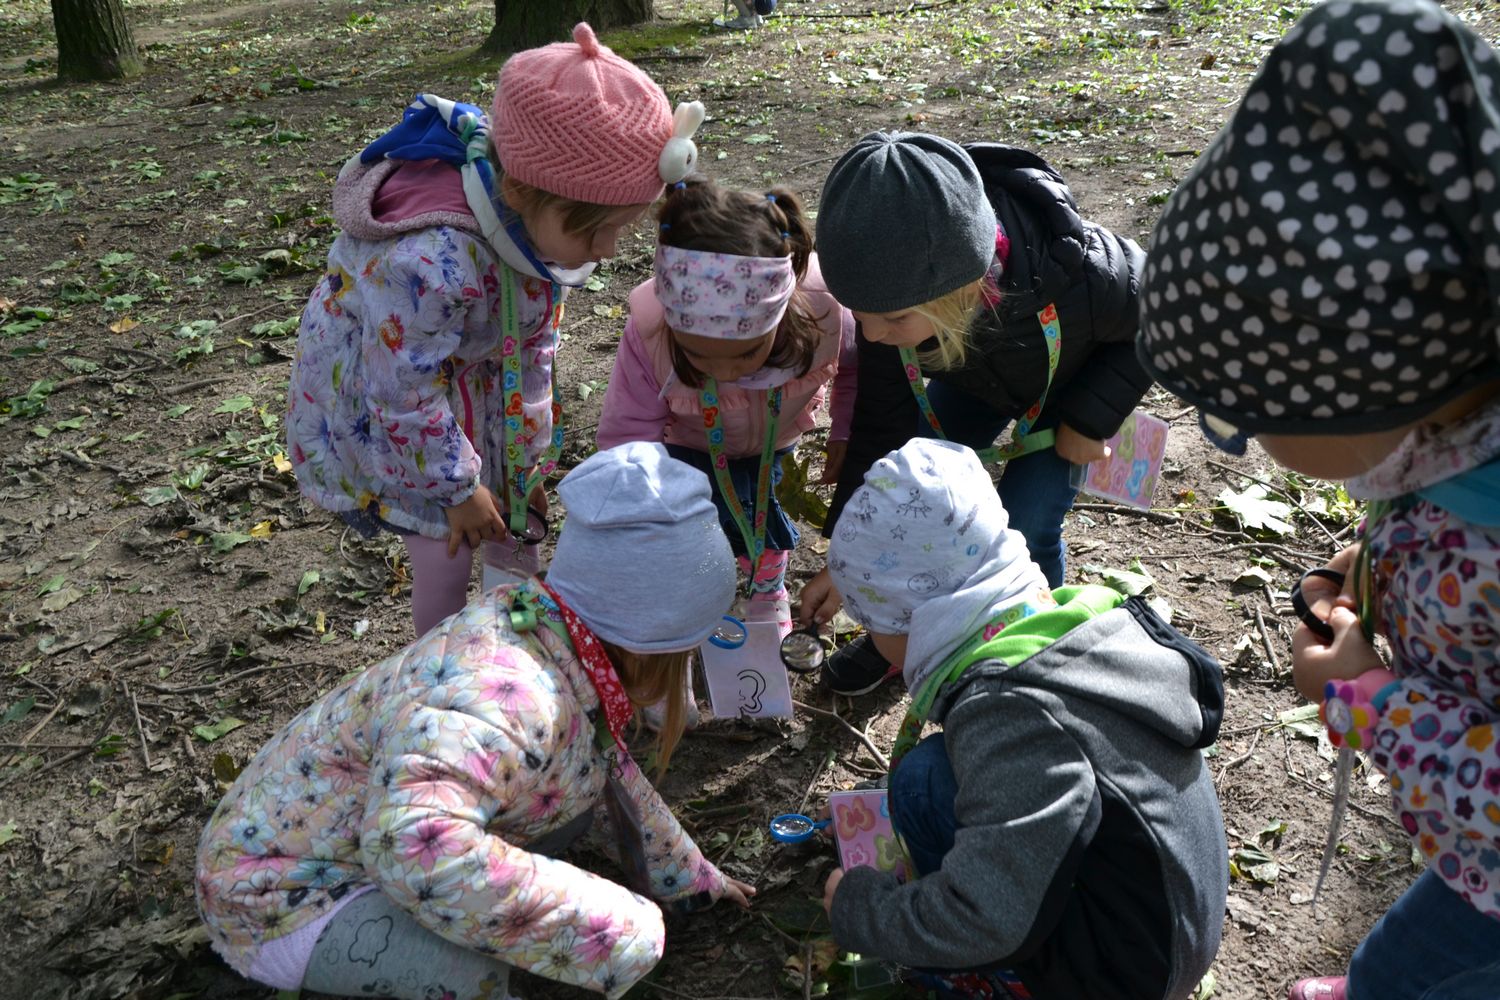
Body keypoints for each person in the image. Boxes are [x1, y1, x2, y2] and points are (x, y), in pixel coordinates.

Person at [1135, 3, 1500, 997]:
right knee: (1399, 962)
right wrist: (1380, 564)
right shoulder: (1457, 419)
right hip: (1470, 860)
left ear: (1376, 393)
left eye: (1241, 416)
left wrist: (1370, 701)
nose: (1242, 435)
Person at [196, 442, 756, 1000]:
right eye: (681, 654)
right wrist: (615, 930)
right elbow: (415, 847)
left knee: (570, 804)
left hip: (364, 841)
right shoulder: (510, 699)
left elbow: (604, 767)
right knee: (488, 982)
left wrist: (690, 879)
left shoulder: (544, 628)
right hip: (281, 900)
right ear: (645, 644)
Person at [286, 23, 705, 637]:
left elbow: (532, 351)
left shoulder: (537, 239)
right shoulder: (430, 267)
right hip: (388, 401)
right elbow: (402, 393)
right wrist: (457, 489)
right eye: (596, 231)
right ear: (519, 192)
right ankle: (443, 663)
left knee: (511, 532)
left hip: (465, 382)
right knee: (445, 549)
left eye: (622, 228)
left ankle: (510, 649)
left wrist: (521, 467)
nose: (609, 251)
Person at [816, 438, 1228, 1000]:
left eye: (872, 622)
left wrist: (864, 911)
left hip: (1125, 975)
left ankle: (993, 979)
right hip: (1168, 924)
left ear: (918, 620)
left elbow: (989, 916)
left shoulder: (1009, 713)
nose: (872, 637)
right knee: (932, 773)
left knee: (919, 784)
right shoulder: (1074, 627)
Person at [800, 131, 1150, 695]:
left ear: (959, 291)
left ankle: (1037, 665)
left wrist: (1091, 420)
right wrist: (849, 560)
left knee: (1028, 521)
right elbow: (882, 428)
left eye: (891, 321)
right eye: (859, 316)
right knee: (913, 492)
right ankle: (905, 636)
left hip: (1067, 395)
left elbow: (1157, 318)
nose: (871, 335)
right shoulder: (888, 301)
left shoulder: (1081, 270)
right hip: (977, 380)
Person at [597, 177, 855, 630]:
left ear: (780, 313)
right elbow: (629, 432)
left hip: (775, 439)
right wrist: (637, 508)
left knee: (764, 507)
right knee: (698, 523)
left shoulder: (825, 310)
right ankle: (697, 588)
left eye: (746, 354)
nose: (725, 373)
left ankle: (766, 586)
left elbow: (856, 371)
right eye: (698, 356)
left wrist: (844, 430)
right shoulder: (651, 330)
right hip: (688, 445)